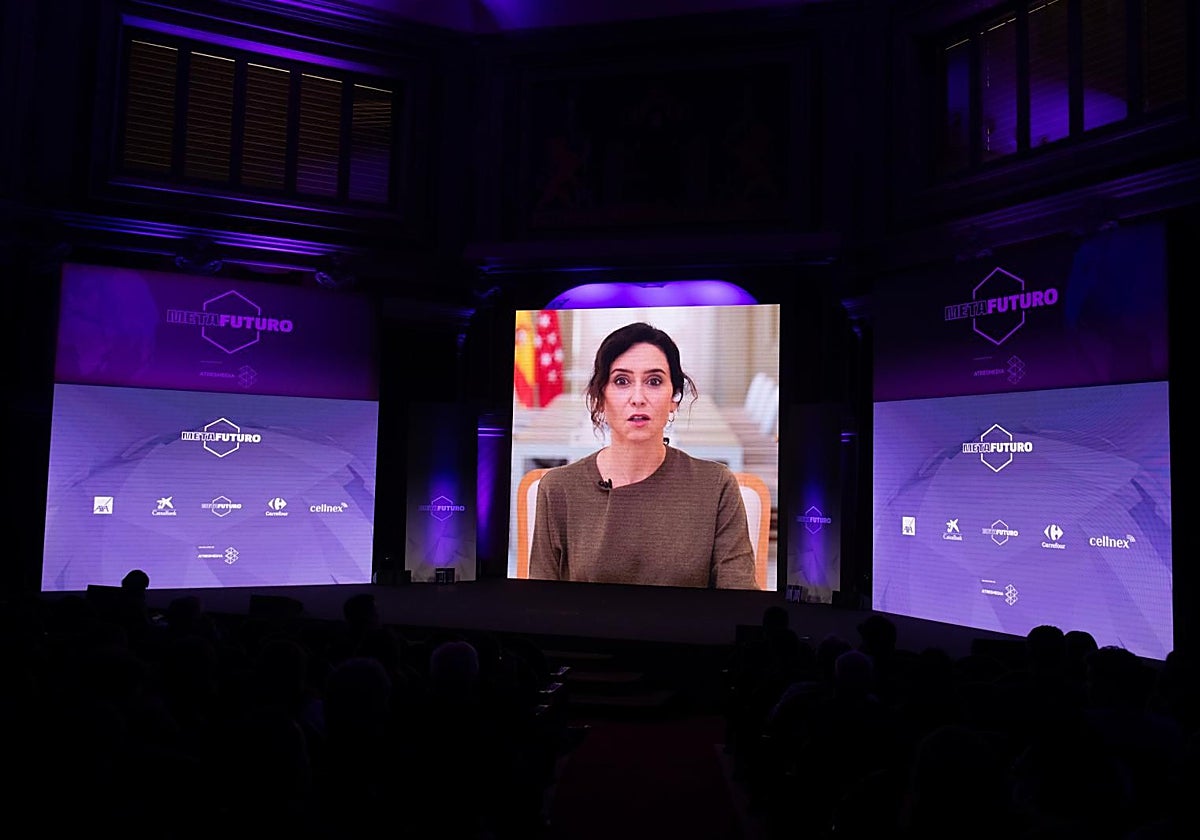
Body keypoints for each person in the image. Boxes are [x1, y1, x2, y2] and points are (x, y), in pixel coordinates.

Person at [529, 321, 757, 588]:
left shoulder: (716, 486)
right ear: (600, 398)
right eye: (622, 381)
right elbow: (539, 608)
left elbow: (739, 604)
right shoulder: (558, 489)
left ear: (675, 398)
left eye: (654, 381)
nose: (638, 397)